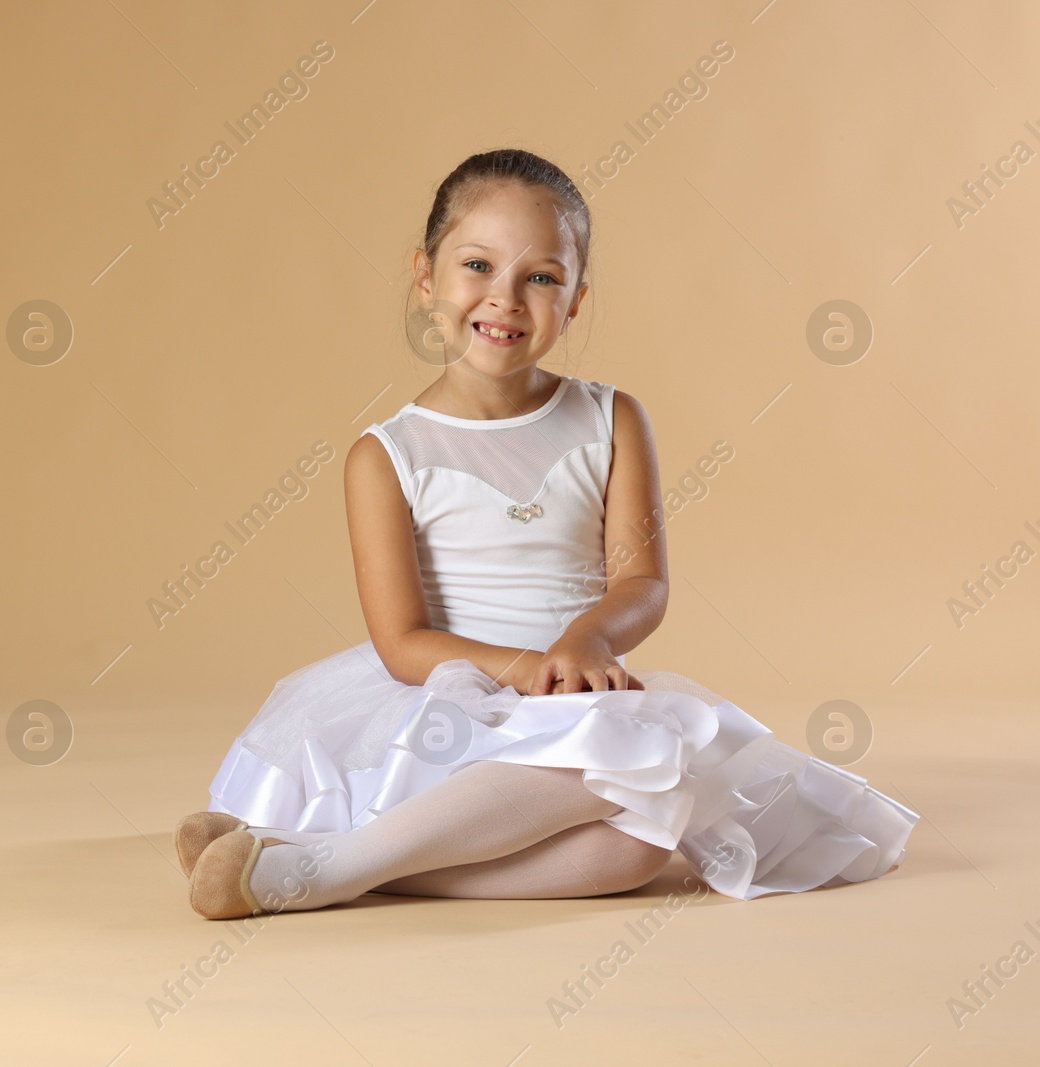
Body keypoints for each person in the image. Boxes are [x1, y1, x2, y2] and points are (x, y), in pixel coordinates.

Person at [172, 148, 921, 920]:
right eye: (477, 265)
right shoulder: (386, 456)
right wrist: (525, 669)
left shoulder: (611, 418)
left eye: (541, 277)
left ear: (575, 299)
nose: (506, 299)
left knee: (642, 844)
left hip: (575, 692)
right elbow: (401, 639)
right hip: (453, 697)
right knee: (633, 787)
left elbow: (643, 581)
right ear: (426, 277)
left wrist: (588, 641)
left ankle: (318, 859)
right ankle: (324, 867)